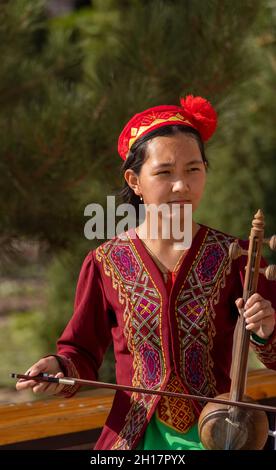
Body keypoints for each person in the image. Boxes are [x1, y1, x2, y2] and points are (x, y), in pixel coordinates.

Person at [16, 95, 276, 450]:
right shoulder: (104, 262)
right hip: (133, 437)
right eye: (165, 172)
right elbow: (81, 351)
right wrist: (58, 365)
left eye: (193, 169)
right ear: (135, 180)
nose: (181, 185)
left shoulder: (238, 257)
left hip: (218, 433)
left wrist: (266, 330)